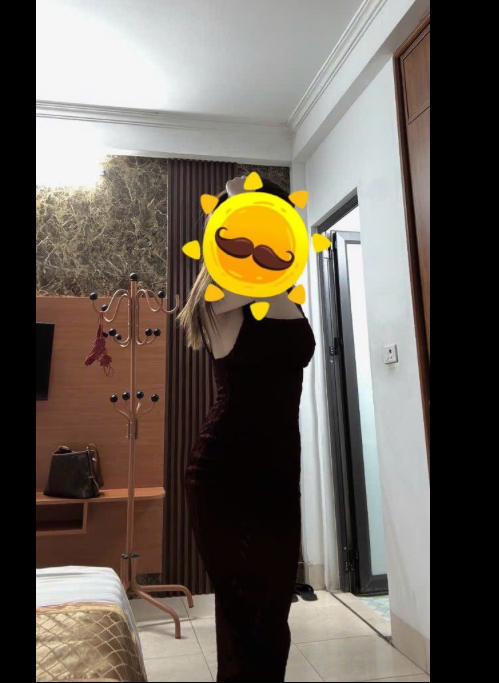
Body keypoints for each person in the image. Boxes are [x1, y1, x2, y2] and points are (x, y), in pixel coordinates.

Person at [178, 176, 316, 682]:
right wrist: (240, 201)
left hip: (279, 471)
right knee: (246, 617)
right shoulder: (221, 292)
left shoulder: (281, 288)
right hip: (226, 472)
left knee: (272, 614)